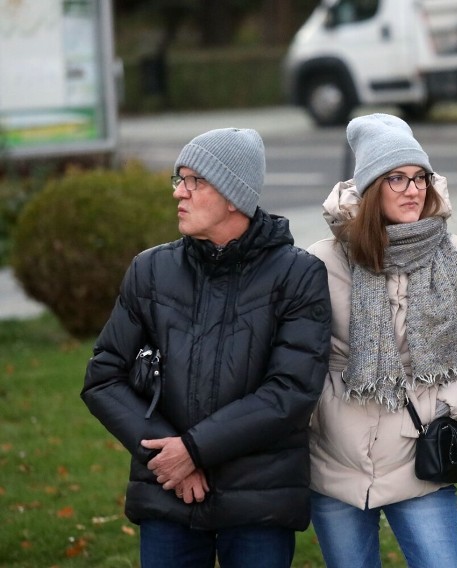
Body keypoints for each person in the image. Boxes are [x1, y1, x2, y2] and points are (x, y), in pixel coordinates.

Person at [81, 127, 332, 568]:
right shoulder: (151, 270)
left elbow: (290, 391)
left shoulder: (298, 275)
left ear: (234, 195)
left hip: (260, 500)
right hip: (167, 495)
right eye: (178, 179)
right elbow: (104, 377)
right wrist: (168, 457)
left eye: (194, 181)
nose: (179, 192)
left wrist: (194, 449)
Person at [306, 113, 457, 568]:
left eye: (419, 177)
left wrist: (440, 409)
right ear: (369, 188)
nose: (413, 189)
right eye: (396, 178)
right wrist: (324, 416)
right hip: (334, 465)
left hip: (419, 460)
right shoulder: (320, 264)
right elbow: (298, 360)